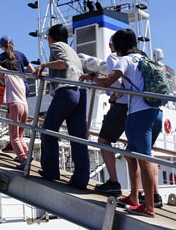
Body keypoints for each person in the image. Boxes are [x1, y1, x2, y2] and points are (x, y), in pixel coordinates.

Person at [98, 29, 161, 216]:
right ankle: (134, 197)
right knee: (130, 153)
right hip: (156, 112)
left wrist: (93, 78)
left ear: (120, 46)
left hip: (139, 113)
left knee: (144, 158)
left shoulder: (125, 60)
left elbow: (110, 81)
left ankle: (149, 207)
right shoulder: (145, 58)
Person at [35, 24, 89, 189]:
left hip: (66, 92)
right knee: (78, 138)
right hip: (81, 92)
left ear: (52, 37)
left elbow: (63, 64)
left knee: (48, 131)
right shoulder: (72, 49)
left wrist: (44, 66)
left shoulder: (56, 46)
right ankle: (81, 179)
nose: (47, 41)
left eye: (47, 37)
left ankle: (51, 171)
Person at [84, 33, 137, 196]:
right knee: (139, 150)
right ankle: (150, 194)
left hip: (122, 105)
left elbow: (113, 83)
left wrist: (93, 77)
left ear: (114, 46)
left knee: (103, 140)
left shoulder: (115, 59)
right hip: (140, 107)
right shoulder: (141, 57)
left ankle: (114, 182)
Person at [0, 57, 29, 168]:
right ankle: (27, 153)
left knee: (14, 136)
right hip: (24, 106)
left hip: (15, 105)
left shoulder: (8, 74)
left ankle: (23, 159)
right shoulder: (20, 78)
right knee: (19, 134)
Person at [0, 35, 34, 152]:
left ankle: (14, 143)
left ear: (1, 47)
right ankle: (15, 143)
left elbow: (1, 76)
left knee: (11, 116)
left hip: (13, 89)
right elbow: (31, 70)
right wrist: (21, 70)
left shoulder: (0, 58)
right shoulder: (21, 54)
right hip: (24, 86)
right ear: (13, 44)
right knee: (17, 115)